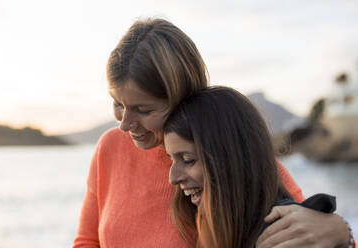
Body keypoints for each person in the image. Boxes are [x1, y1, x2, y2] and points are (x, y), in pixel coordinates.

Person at [72, 18, 353, 248]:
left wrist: (340, 232)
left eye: (143, 110)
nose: (125, 124)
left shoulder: (237, 160)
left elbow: (304, 233)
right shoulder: (110, 147)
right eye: (118, 104)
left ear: (181, 97)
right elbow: (87, 241)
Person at [163, 86, 343, 248]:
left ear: (231, 158)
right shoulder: (217, 225)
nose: (173, 177)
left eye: (188, 159)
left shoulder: (286, 235)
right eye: (171, 159)